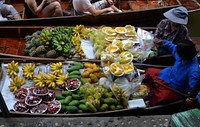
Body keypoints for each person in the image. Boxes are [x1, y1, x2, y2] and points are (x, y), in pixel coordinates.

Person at [142, 39, 200, 107]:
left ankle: (151, 98)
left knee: (161, 98)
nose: (176, 52)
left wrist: (195, 100)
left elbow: (195, 89)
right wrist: (163, 42)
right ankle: (152, 89)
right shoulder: (182, 52)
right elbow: (173, 47)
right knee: (149, 71)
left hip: (174, 89)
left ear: (182, 55)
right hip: (166, 75)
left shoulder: (194, 71)